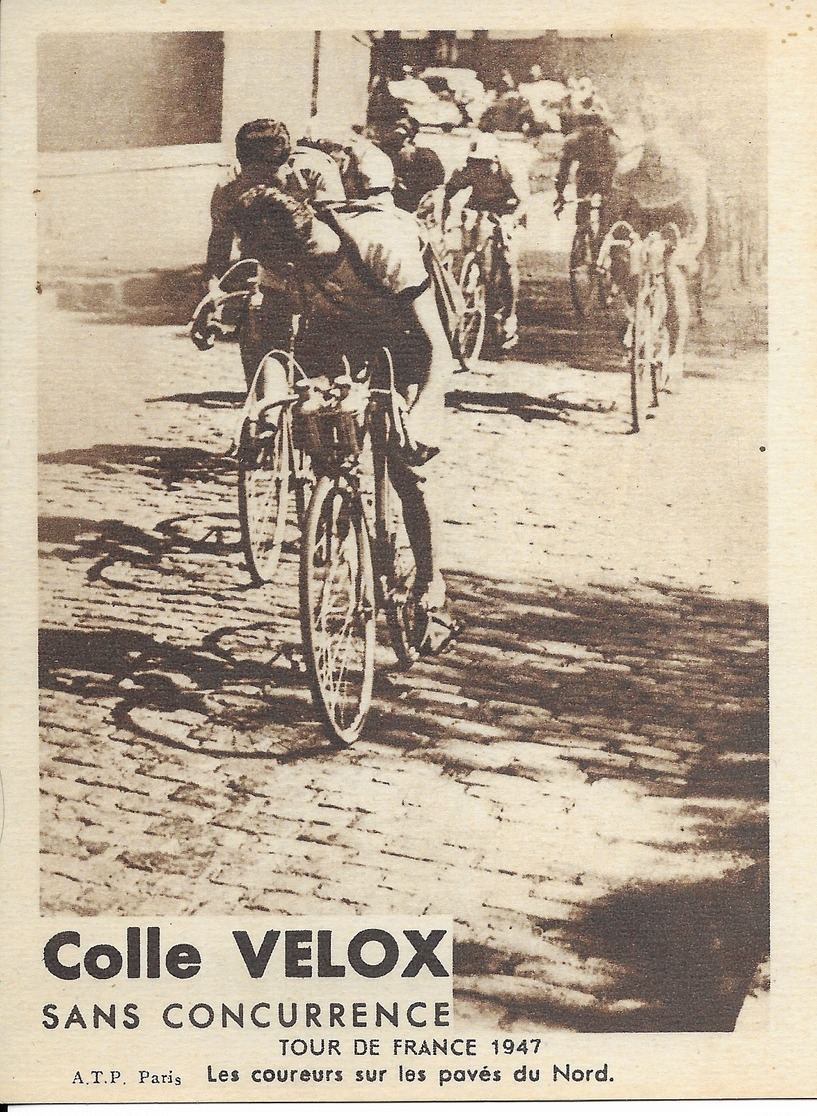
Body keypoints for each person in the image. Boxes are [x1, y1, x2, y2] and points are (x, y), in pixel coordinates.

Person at [231, 180, 461, 653]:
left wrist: (422, 414)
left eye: (300, 264)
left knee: (404, 463)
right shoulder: (280, 260)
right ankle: (340, 507)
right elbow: (277, 348)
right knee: (320, 419)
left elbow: (438, 350)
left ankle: (431, 589)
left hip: (405, 331)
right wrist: (264, 410)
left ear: (306, 240)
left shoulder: (381, 245)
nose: (289, 273)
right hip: (337, 326)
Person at [203, 119, 345, 385]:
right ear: (241, 168)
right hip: (269, 263)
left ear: (288, 163)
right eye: (254, 179)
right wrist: (211, 299)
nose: (262, 188)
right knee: (263, 336)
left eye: (270, 178)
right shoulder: (228, 190)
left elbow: (341, 240)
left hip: (320, 259)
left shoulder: (315, 173)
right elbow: (218, 251)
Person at [610, 101, 708, 391]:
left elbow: (697, 223)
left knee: (672, 273)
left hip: (679, 218)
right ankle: (636, 311)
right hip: (642, 215)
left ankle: (675, 355)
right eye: (650, 163)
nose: (655, 170)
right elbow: (615, 217)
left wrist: (686, 253)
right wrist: (615, 245)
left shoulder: (688, 174)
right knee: (623, 258)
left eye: (661, 164)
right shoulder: (627, 171)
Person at [440, 133, 528, 353]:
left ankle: (509, 315)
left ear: (495, 161)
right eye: (475, 162)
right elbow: (447, 193)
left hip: (509, 211)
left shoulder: (509, 170)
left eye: (485, 163)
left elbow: (524, 202)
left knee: (508, 261)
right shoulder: (466, 171)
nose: (479, 168)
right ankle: (476, 286)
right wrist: (442, 217)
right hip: (481, 210)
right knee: (477, 257)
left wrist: (511, 219)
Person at [553, 103, 618, 227]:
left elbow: (563, 170)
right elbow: (615, 166)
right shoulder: (610, 140)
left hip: (587, 176)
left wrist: (560, 194)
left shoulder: (573, 140)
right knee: (604, 209)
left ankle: (583, 230)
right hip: (603, 176)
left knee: (584, 208)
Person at [370, 114, 445, 216]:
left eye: (403, 127)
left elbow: (436, 185)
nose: (396, 130)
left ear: (411, 134)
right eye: (396, 126)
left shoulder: (425, 156)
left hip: (416, 205)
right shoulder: (383, 151)